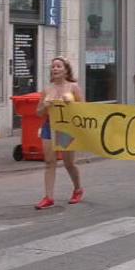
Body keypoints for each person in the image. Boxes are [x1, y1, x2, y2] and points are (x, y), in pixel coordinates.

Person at [34, 57, 86, 210]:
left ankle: (78, 189)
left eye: (58, 66)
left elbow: (84, 109)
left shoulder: (73, 87)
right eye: (53, 67)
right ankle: (48, 197)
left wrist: (71, 104)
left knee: (68, 162)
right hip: (49, 127)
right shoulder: (47, 89)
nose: (55, 69)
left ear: (66, 70)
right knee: (49, 162)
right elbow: (38, 112)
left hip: (66, 128)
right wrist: (45, 105)